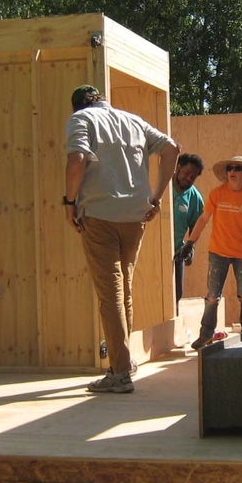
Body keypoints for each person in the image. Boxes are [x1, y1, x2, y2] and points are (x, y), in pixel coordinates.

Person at [64, 84, 181, 394]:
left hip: (100, 214)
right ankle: (124, 363)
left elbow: (76, 159)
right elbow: (172, 149)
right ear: (104, 100)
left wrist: (69, 201)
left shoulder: (83, 120)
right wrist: (156, 197)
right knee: (124, 290)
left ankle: (119, 372)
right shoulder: (133, 121)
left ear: (77, 106)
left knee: (110, 294)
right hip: (135, 215)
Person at [176, 155, 242, 349]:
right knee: (212, 296)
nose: (232, 172)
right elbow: (203, 219)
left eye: (237, 169)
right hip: (218, 252)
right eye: (230, 168)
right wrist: (190, 242)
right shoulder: (217, 194)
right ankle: (206, 334)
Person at [171, 153, 205, 305]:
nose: (189, 178)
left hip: (176, 252)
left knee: (176, 293)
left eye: (193, 176)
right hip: (153, 250)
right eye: (186, 173)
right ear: (178, 167)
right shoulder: (162, 185)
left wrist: (190, 247)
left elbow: (196, 225)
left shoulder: (195, 198)